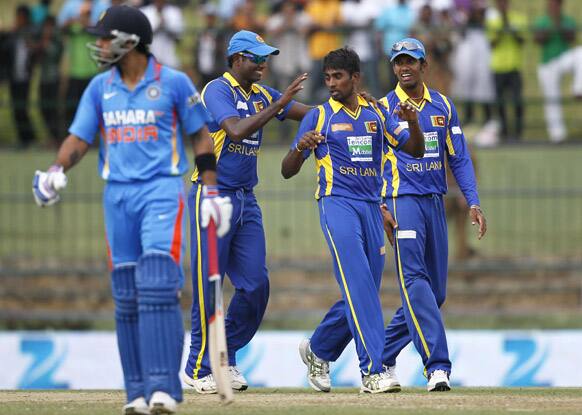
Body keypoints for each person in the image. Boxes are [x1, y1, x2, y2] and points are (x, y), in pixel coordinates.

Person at [32, 6, 232, 414]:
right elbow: (78, 138)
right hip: (117, 195)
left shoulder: (174, 83)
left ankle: (164, 389)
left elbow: (201, 137)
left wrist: (211, 191)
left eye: (106, 37)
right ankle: (136, 393)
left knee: (157, 283)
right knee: (125, 294)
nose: (100, 44)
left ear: (129, 41)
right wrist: (55, 169)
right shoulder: (99, 88)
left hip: (161, 190)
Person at [281, 47, 424, 393]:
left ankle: (319, 349)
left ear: (355, 78)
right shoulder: (318, 116)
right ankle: (373, 372)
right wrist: (300, 147)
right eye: (327, 77)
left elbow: (415, 150)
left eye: (338, 77)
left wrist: (414, 122)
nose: (331, 83)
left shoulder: (376, 112)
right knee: (360, 288)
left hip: (372, 208)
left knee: (362, 291)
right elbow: (286, 170)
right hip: (337, 205)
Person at [183, 30, 312, 394]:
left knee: (256, 285)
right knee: (210, 287)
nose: (263, 64)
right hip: (213, 196)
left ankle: (225, 358)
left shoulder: (261, 94)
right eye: (257, 58)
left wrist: (348, 109)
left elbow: (310, 115)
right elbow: (235, 131)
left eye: (265, 57)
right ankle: (198, 367)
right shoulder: (217, 90)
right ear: (238, 59)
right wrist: (278, 104)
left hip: (246, 200)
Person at [378, 38, 487, 392]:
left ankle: (380, 356)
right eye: (398, 62)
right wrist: (379, 204)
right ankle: (437, 366)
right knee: (414, 280)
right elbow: (369, 164)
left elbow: (458, 158)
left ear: (424, 66)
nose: (404, 67)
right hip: (401, 199)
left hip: (434, 202)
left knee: (434, 293)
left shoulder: (442, 106)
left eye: (410, 61)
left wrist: (472, 201)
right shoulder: (382, 109)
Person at [533, 0, 582, 143]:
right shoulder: (542, 21)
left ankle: (578, 89)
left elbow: (571, 37)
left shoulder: (567, 20)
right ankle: (557, 134)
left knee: (581, 53)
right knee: (552, 99)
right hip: (547, 64)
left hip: (562, 58)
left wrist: (558, 23)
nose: (554, 6)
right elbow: (538, 39)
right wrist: (552, 25)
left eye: (557, 4)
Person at [486, 0, 527, 141]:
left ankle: (518, 132)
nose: (502, 5)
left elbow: (522, 41)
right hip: (498, 67)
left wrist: (509, 25)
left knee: (517, 100)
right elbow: (492, 43)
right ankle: (504, 132)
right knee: (500, 102)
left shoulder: (518, 18)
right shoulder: (492, 21)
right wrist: (502, 27)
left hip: (514, 66)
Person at [141, 0, 184, 68]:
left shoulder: (175, 12)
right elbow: (142, 38)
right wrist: (158, 27)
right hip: (150, 59)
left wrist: (166, 26)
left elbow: (179, 38)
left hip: (170, 59)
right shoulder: (145, 11)